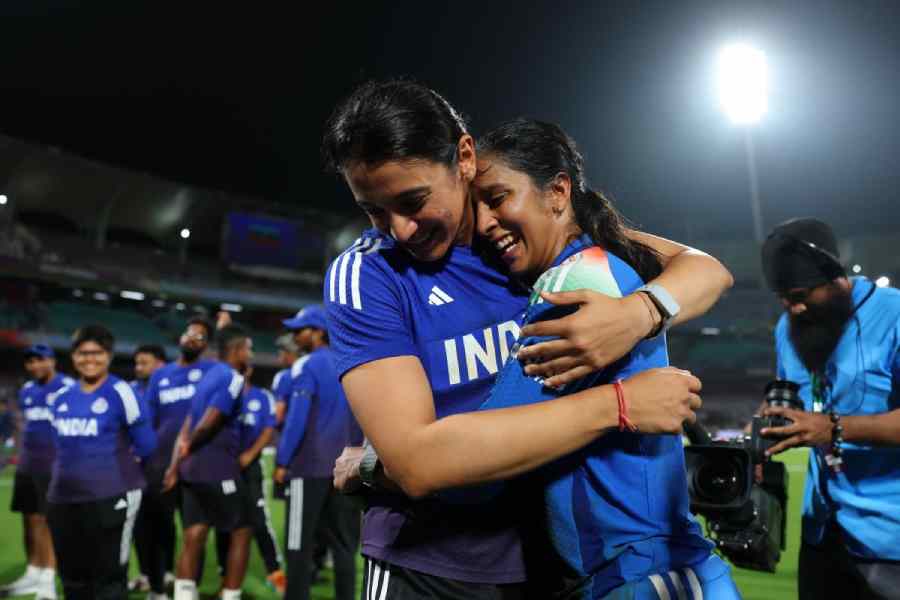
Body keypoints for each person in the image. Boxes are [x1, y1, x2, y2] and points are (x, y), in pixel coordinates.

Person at [322, 79, 732, 599]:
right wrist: (619, 404)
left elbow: (705, 269)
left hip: (548, 564)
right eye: (373, 210)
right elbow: (418, 465)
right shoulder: (367, 273)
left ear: (464, 157)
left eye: (413, 200)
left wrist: (637, 313)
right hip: (431, 566)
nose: (398, 229)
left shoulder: (526, 240)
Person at [465, 118, 738, 598]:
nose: (484, 222)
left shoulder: (574, 283)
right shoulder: (601, 263)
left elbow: (483, 458)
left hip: (642, 577)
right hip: (657, 572)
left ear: (557, 192)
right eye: (475, 207)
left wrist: (380, 460)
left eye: (498, 198)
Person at [759, 218, 900, 600]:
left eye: (801, 293)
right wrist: (768, 428)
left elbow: (825, 424)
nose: (794, 307)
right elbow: (790, 396)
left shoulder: (895, 315)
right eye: (783, 297)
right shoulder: (789, 326)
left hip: (889, 540)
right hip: (821, 533)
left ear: (835, 277)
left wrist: (834, 428)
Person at [45, 325, 156, 600]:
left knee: (109, 577)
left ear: (108, 356)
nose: (89, 359)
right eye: (83, 353)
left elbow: (147, 444)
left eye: (97, 353)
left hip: (112, 496)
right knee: (72, 577)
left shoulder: (122, 392)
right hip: (63, 499)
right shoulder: (60, 398)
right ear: (73, 357)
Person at [275, 305, 363, 600]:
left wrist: (282, 460)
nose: (295, 337)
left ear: (318, 332)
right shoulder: (350, 362)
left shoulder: (305, 366)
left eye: (300, 331)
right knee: (344, 547)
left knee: (298, 543)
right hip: (347, 467)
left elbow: (296, 420)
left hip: (309, 468)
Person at [165, 324, 253, 600]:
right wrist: (193, 443)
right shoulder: (232, 377)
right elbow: (209, 419)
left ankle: (183, 594)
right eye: (248, 349)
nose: (250, 354)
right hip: (218, 470)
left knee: (194, 533)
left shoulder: (208, 374)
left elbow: (189, 420)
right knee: (242, 530)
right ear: (237, 350)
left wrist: (177, 462)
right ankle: (231, 595)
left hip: (191, 471)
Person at [139, 318, 219, 598]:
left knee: (194, 532)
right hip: (160, 463)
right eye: (189, 332)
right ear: (181, 337)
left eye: (201, 335)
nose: (193, 337)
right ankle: (158, 589)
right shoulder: (161, 375)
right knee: (159, 529)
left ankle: (189, 588)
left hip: (197, 463)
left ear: (206, 345)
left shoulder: (213, 371)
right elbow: (148, 419)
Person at [1, 344, 74, 600]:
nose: (35, 366)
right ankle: (32, 571)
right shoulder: (28, 390)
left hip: (55, 465)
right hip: (28, 464)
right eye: (30, 362)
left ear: (52, 361)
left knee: (47, 520)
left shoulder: (68, 387)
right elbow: (25, 426)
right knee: (28, 518)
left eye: (41, 360)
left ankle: (47, 578)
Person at [214, 367, 286, 595]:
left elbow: (269, 428)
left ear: (248, 372)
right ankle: (225, 576)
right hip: (224, 469)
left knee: (258, 520)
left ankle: (274, 573)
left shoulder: (261, 396)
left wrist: (250, 454)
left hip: (251, 468)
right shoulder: (221, 396)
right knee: (224, 522)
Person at [128, 343, 167, 595]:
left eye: (145, 362)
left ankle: (165, 577)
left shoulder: (168, 389)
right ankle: (146, 574)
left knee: (163, 527)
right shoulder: (129, 390)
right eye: (137, 363)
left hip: (164, 467)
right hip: (134, 471)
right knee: (139, 527)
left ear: (160, 364)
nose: (138, 367)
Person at [272, 333, 300, 428]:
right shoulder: (311, 370)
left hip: (288, 431)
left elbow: (278, 415)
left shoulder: (285, 376)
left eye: (282, 350)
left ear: (290, 353)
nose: (280, 353)